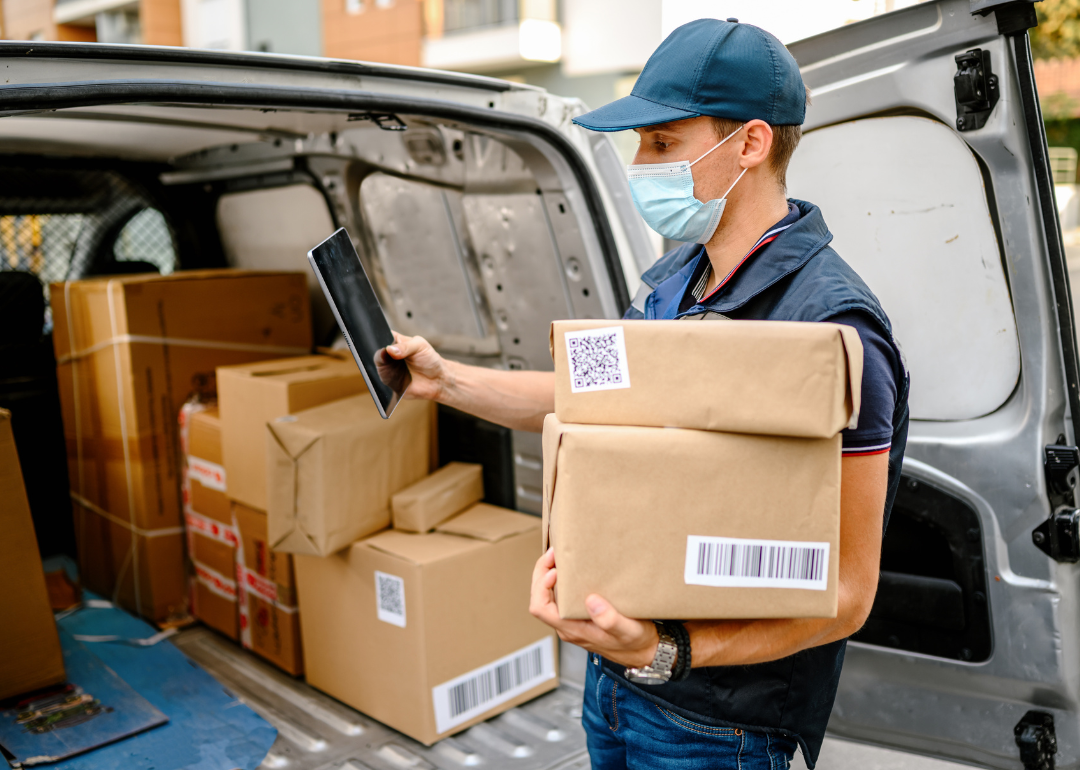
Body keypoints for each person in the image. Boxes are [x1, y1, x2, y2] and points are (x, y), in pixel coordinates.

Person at [386, 17, 909, 770]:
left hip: (720, 725)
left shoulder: (832, 328)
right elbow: (582, 396)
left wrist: (668, 650)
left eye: (662, 144)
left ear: (752, 144)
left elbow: (848, 594)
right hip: (613, 687)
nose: (641, 165)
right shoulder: (669, 282)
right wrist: (445, 381)